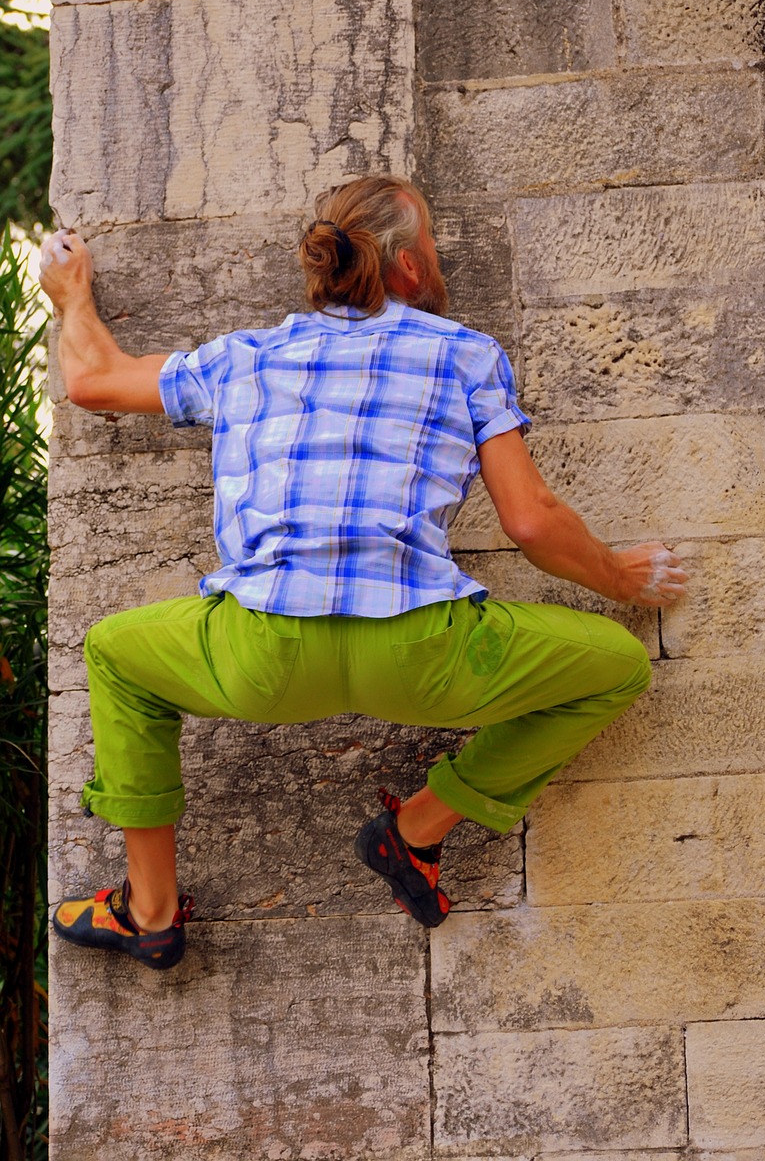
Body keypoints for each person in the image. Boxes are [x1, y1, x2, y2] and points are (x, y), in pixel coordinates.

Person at [41, 175, 687, 970]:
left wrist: (72, 296)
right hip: (423, 659)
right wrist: (621, 579)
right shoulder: (465, 354)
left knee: (113, 653)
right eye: (435, 251)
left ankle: (151, 912)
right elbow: (530, 520)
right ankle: (415, 828)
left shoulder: (248, 357)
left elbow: (92, 381)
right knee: (616, 668)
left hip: (260, 657)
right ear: (409, 269)